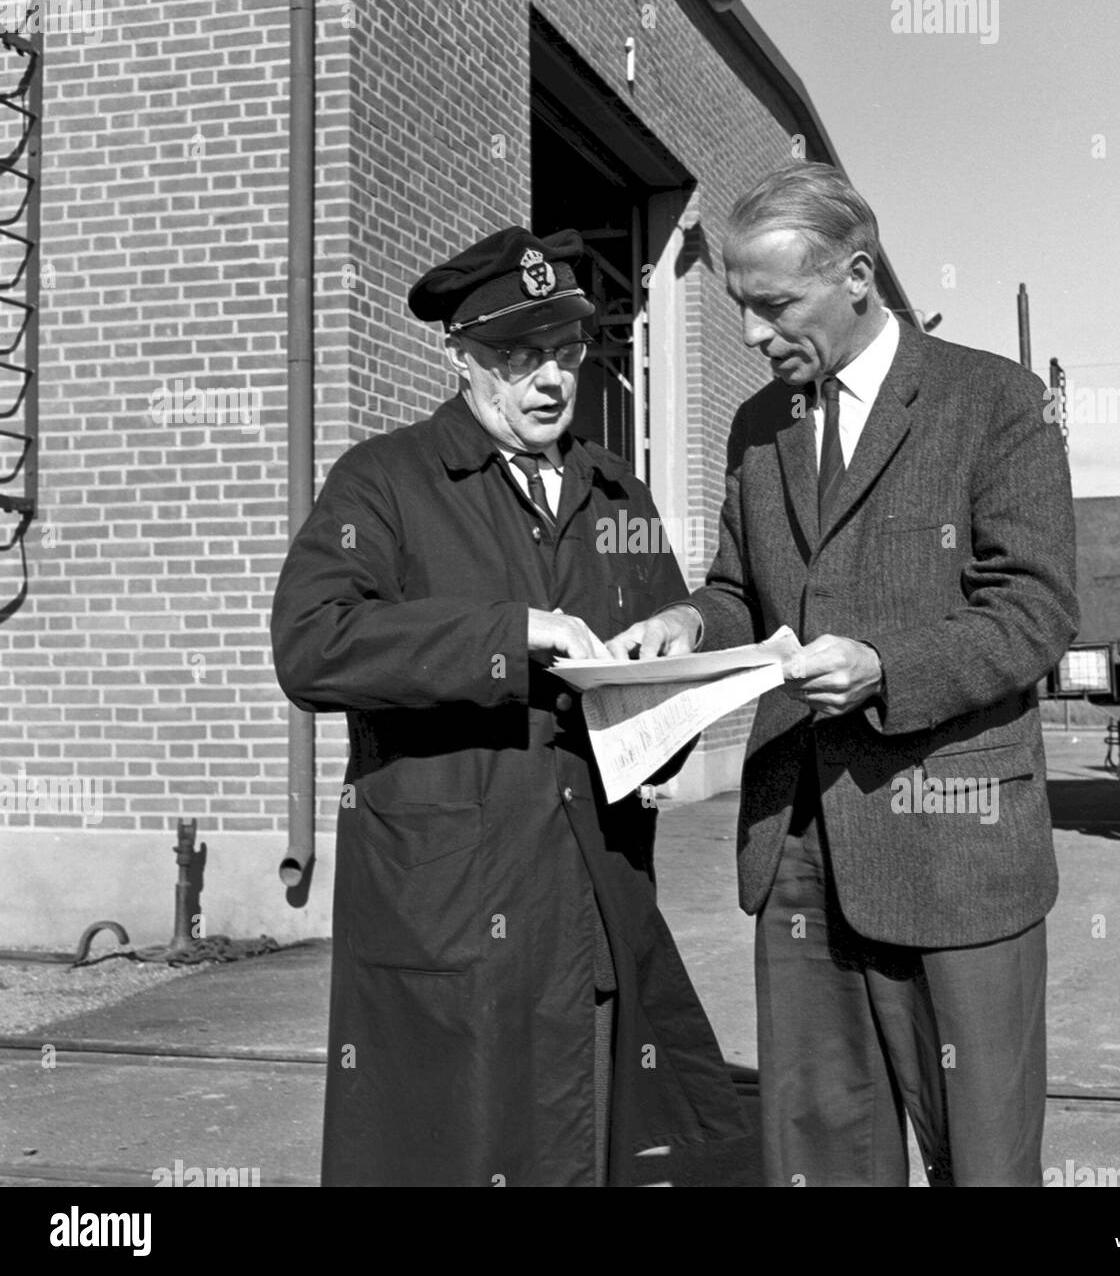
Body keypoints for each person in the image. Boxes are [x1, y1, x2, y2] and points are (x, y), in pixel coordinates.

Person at [609, 162, 1078, 1187]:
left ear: (856, 275)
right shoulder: (755, 428)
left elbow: (1033, 609)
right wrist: (692, 618)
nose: (749, 334)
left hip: (954, 850)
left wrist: (881, 666)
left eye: (773, 304)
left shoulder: (993, 401)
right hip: (797, 845)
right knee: (818, 1152)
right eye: (739, 305)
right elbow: (743, 586)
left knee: (982, 1158)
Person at [271, 226, 744, 1187]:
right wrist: (508, 634)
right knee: (444, 1144)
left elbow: (657, 651)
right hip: (447, 900)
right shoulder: (386, 480)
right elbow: (311, 645)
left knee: (578, 1141)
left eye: (566, 352)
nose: (549, 380)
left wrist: (676, 658)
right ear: (460, 358)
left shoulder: (616, 492)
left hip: (589, 887)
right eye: (516, 357)